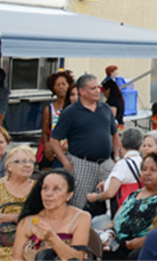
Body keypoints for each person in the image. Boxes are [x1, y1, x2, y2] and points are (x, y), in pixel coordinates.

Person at [50, 74, 121, 209]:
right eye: (93, 88)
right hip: (81, 164)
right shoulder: (70, 112)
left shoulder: (105, 109)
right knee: (78, 204)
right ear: (81, 91)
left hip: (106, 163)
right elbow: (54, 140)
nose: (98, 91)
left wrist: (116, 157)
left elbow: (115, 134)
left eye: (98, 87)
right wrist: (66, 162)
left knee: (109, 204)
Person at [104, 151, 157, 261]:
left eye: (153, 170)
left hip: (153, 244)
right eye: (144, 169)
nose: (147, 173)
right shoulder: (135, 194)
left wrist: (142, 241)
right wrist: (109, 233)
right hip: (121, 242)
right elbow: (116, 218)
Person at [11, 169, 93, 261]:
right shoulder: (28, 221)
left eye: (56, 189)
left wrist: (51, 238)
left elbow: (78, 258)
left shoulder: (81, 218)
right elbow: (16, 258)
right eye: (45, 188)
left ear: (69, 195)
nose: (48, 194)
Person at [86, 128, 145, 210]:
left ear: (121, 144)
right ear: (140, 146)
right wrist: (107, 183)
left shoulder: (122, 165)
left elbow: (110, 193)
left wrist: (95, 197)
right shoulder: (142, 161)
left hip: (122, 211)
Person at [40, 71, 74, 170]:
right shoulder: (49, 109)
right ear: (53, 88)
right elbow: (45, 132)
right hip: (55, 152)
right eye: (57, 85)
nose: (61, 87)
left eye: (64, 84)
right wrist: (47, 147)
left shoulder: (75, 107)